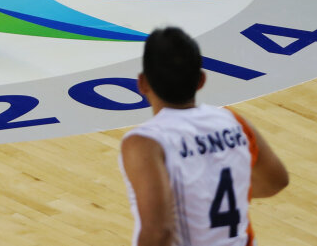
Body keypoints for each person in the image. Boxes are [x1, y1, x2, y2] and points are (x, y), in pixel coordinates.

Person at [120, 27, 290, 246]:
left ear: (142, 83)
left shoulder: (146, 142)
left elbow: (159, 232)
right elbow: (275, 181)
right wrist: (209, 197)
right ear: (201, 80)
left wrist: (202, 199)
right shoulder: (233, 121)